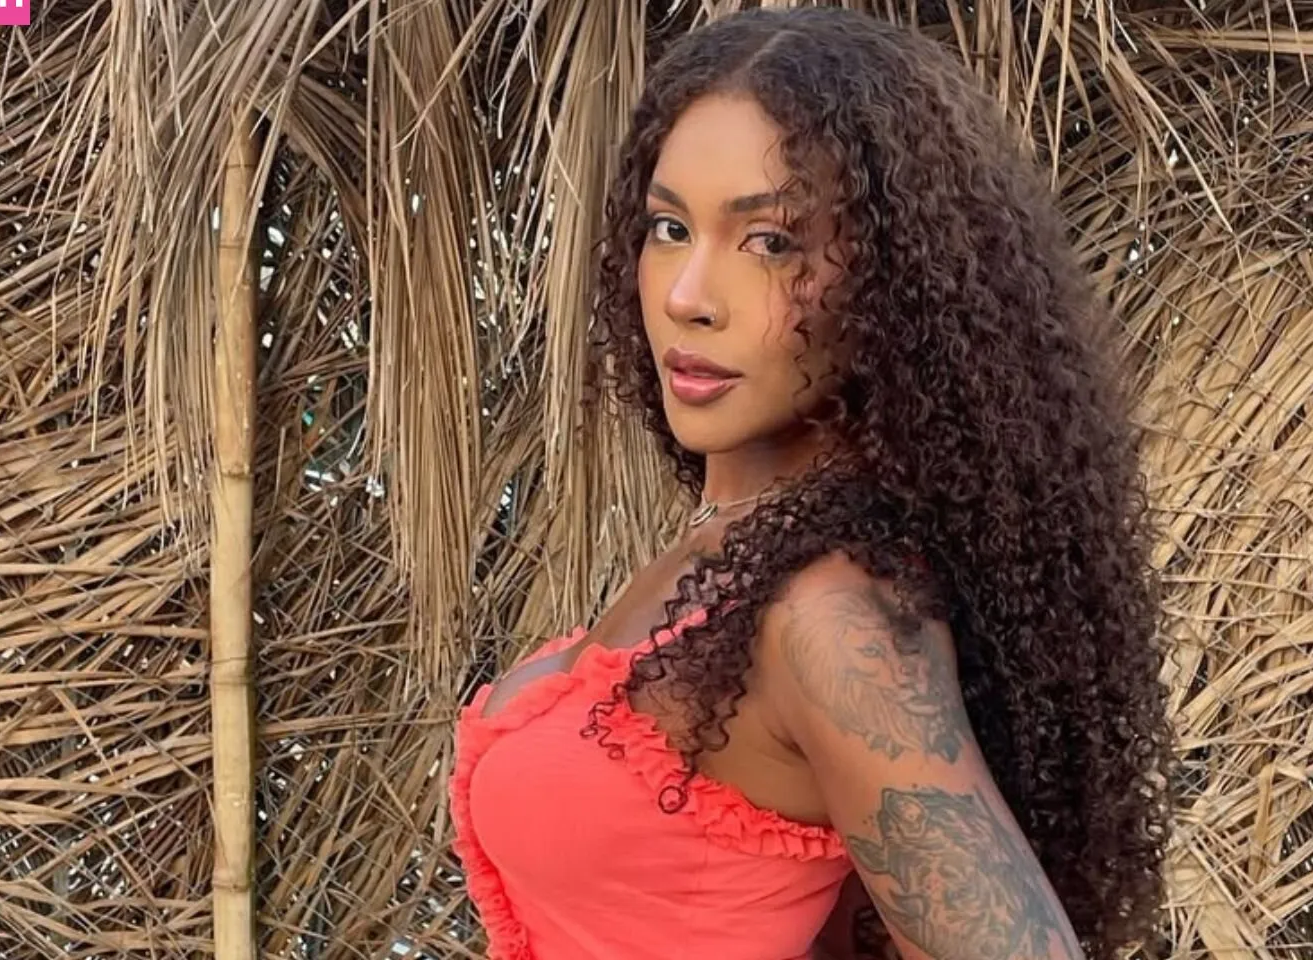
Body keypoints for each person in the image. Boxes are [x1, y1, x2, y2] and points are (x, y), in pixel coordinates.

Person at [448, 7, 1173, 959]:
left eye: (770, 242)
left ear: (894, 282)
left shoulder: (827, 620)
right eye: (669, 228)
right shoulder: (737, 554)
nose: (687, 296)